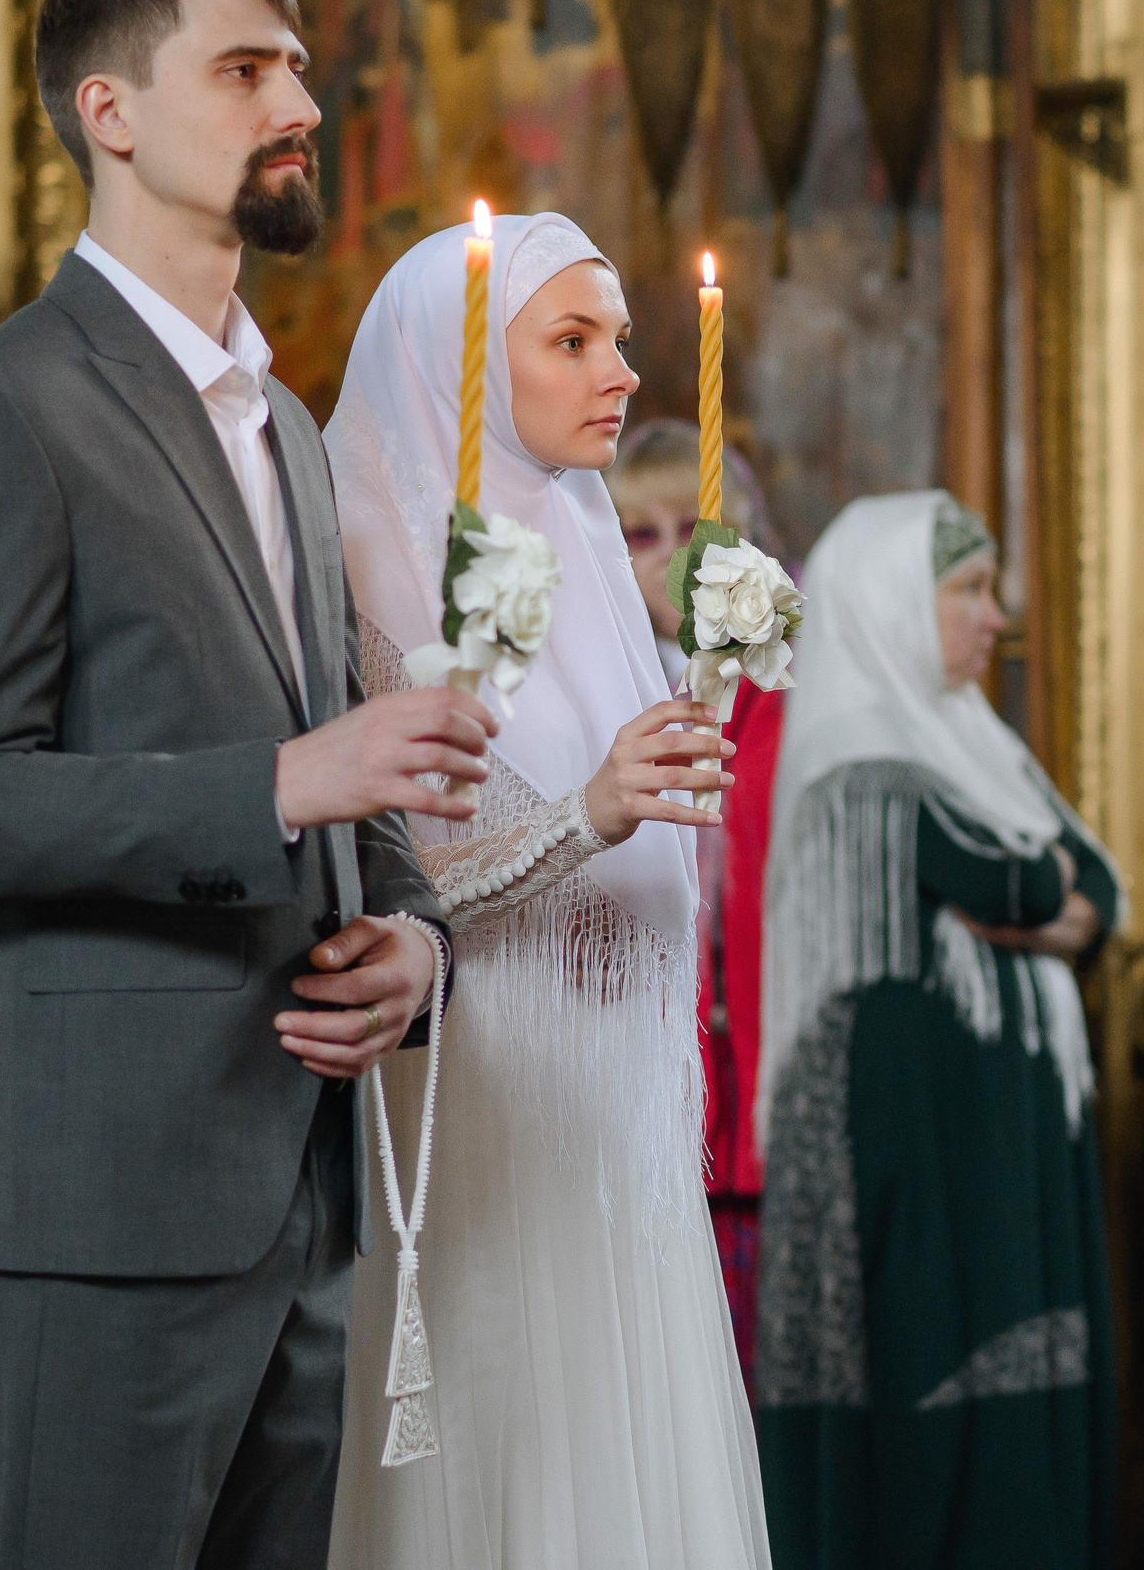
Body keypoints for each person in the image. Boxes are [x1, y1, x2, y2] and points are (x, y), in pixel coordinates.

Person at [0, 0, 488, 1570]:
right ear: (110, 111)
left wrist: (415, 941)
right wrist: (292, 783)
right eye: (245, 69)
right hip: (92, 1226)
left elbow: (356, 764)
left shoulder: (283, 431)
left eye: (296, 65)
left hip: (302, 1208)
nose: (302, 98)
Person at [319, 212, 768, 1565]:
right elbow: (397, 887)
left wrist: (662, 781)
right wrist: (589, 812)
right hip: (476, 1108)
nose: (621, 372)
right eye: (570, 341)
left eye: (624, 339)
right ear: (458, 373)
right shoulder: (366, 553)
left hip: (611, 1124)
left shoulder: (585, 543)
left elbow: (635, 844)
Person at [754, 490, 1125, 1570]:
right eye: (966, 589)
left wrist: (1043, 897)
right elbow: (1007, 872)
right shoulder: (856, 749)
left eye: (992, 590)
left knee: (1021, 1362)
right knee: (928, 1372)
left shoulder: (973, 742)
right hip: (907, 1123)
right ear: (886, 605)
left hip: (995, 1124)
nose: (995, 616)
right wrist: (1041, 894)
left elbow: (1090, 884)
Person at [610, 418, 787, 1395]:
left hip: (762, 1087)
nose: (674, 557)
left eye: (696, 527)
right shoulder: (605, 691)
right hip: (650, 1090)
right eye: (642, 532)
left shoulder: (789, 689)